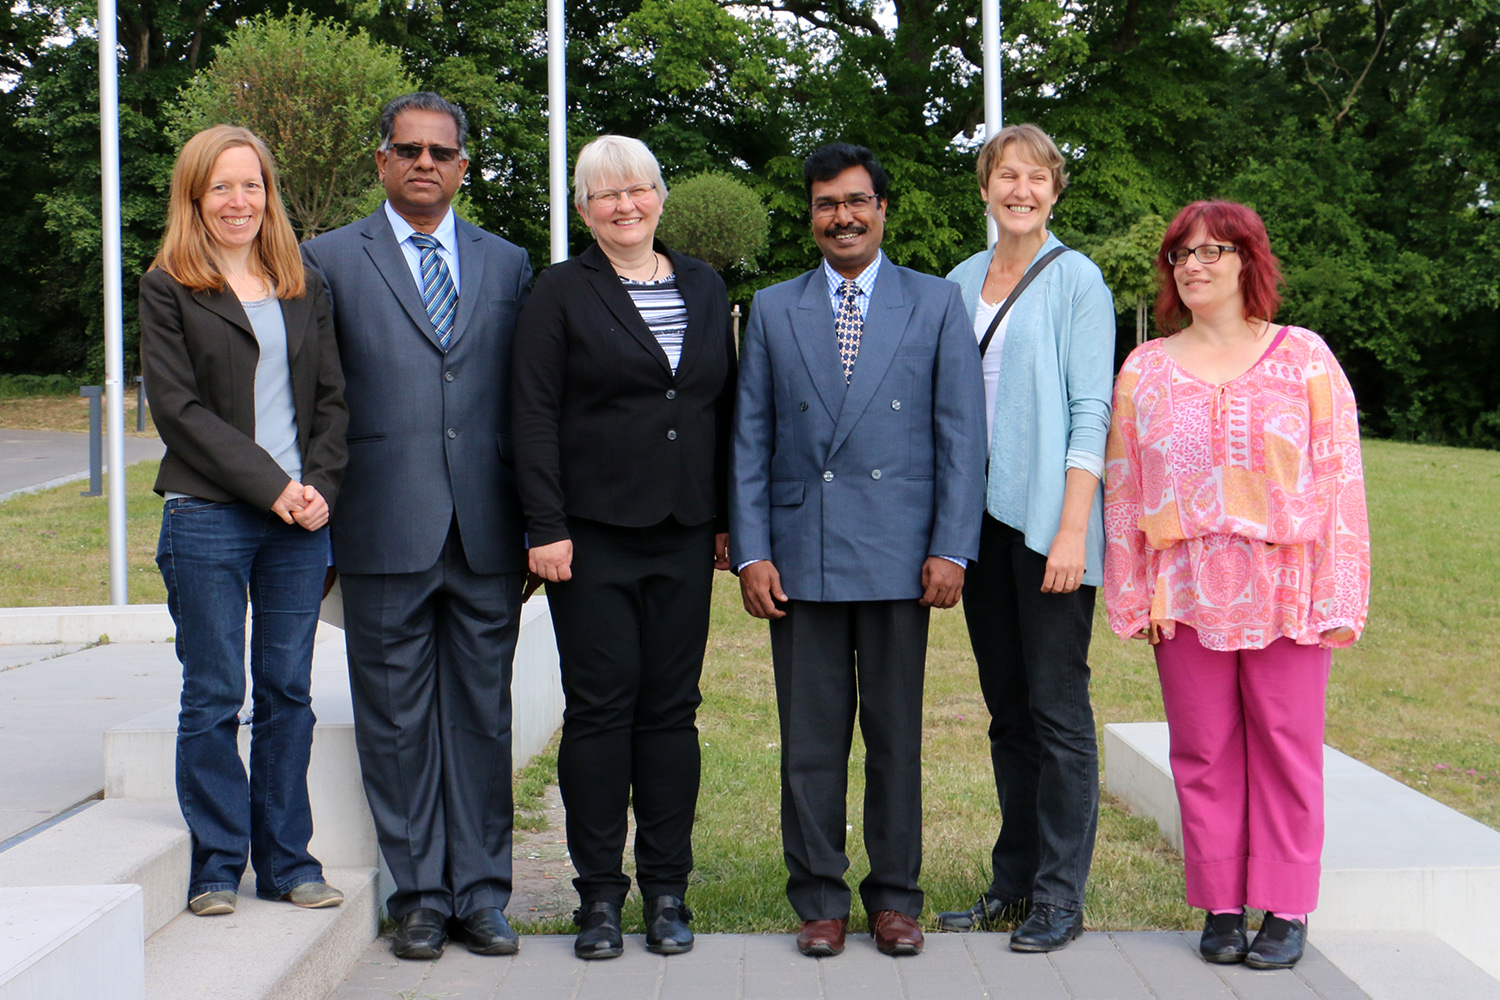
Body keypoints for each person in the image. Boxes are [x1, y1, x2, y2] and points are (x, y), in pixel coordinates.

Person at [730, 142, 986, 959]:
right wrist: (750, 552)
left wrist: (952, 546)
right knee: (809, 742)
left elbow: (960, 435)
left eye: (855, 201)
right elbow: (750, 439)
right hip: (798, 555)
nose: (841, 216)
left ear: (882, 208)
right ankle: (818, 900)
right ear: (811, 215)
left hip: (900, 554)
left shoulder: (937, 301)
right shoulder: (773, 307)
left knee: (894, 739)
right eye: (824, 204)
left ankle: (896, 899)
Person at [1103, 200, 1370, 970]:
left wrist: (1339, 592)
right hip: (1183, 589)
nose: (1193, 265)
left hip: (1287, 587)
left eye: (1212, 251)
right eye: (1181, 254)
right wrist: (1133, 590)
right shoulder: (1145, 367)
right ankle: (1221, 904)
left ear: (1249, 261)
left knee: (1287, 747)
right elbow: (1124, 488)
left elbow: (1341, 478)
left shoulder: (1305, 358)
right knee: (1201, 750)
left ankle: (1286, 908)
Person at [300, 93, 533, 960]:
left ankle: (482, 894)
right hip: (381, 521)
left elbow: (526, 397)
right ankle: (421, 896)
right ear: (383, 161)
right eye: (409, 150)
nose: (425, 163)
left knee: (483, 716)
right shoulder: (326, 258)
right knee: (395, 721)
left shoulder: (507, 263)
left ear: (464, 164)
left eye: (442, 151)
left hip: (486, 528)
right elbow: (314, 395)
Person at [511, 135, 737, 960]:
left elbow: (725, 407)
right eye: (604, 194)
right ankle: (599, 897)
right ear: (583, 210)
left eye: (637, 189)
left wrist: (727, 525)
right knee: (602, 711)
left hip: (684, 535)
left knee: (671, 713)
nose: (624, 204)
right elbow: (532, 413)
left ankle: (667, 891)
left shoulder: (705, 287)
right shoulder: (560, 292)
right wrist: (546, 527)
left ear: (660, 198)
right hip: (591, 539)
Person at [140, 124, 348, 918]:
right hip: (210, 517)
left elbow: (333, 397)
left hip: (302, 520)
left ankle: (290, 862)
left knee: (288, 693)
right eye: (221, 187)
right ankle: (216, 868)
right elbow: (180, 412)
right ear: (195, 196)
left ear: (270, 194)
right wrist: (275, 487)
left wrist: (319, 484)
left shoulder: (301, 281)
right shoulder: (169, 287)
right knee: (215, 694)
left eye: (252, 184)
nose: (239, 201)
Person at [934, 123, 1115, 953]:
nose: (1021, 189)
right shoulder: (959, 282)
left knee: (1058, 712)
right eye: (1007, 175)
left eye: (1037, 177)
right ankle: (1013, 886)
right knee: (1009, 712)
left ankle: (1059, 898)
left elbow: (1091, 411)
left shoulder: (1079, 280)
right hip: (979, 528)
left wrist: (1074, 528)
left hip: (1051, 527)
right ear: (985, 186)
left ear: (1055, 190)